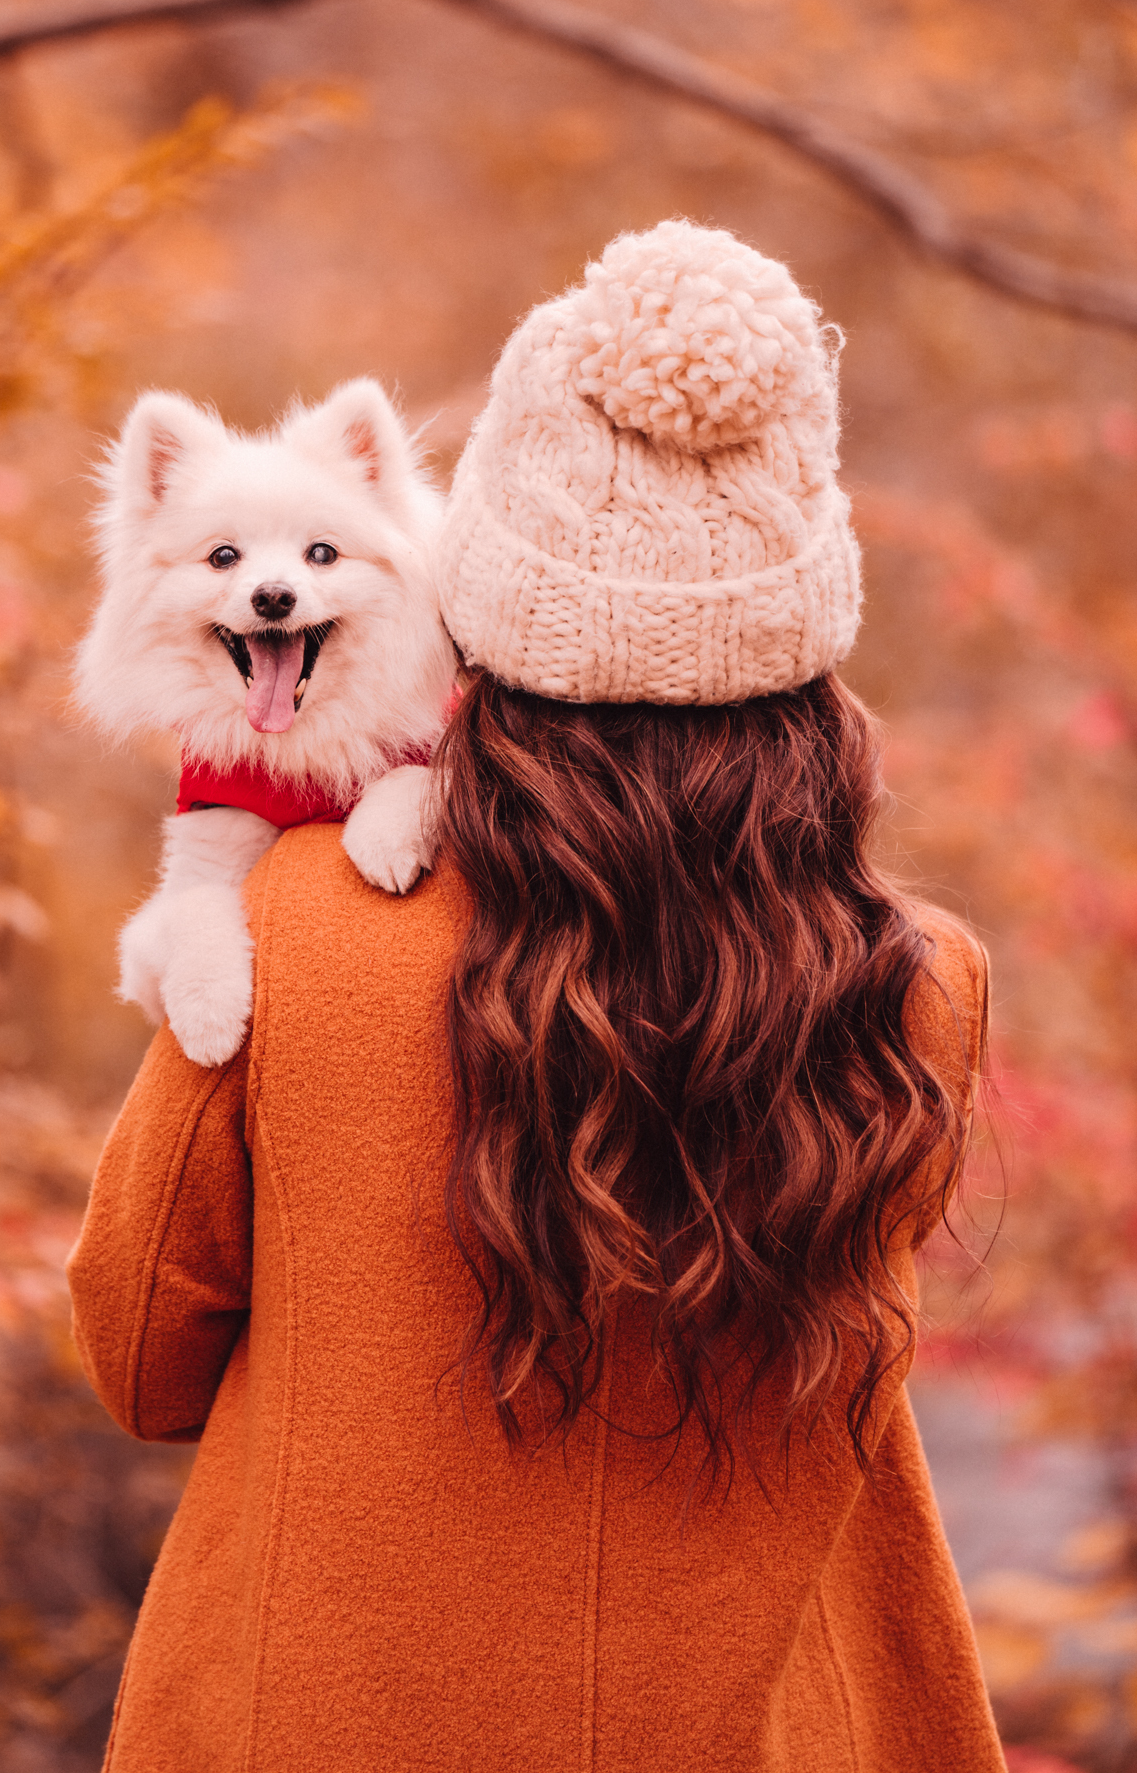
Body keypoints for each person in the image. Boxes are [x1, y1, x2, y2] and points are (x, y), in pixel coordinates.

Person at [67, 220, 1006, 1772]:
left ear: (475, 615)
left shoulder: (291, 932)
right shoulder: (914, 986)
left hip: (328, 1717)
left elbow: (141, 1352)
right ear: (807, 649)